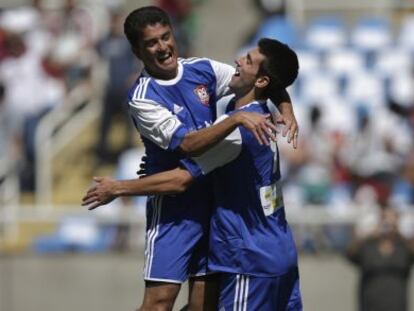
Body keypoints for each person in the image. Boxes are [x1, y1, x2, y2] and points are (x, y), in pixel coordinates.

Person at [85, 6, 298, 311]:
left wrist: (286, 108)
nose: (163, 47)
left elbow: (262, 79)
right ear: (137, 50)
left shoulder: (203, 69)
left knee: (202, 306)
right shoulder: (143, 97)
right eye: (152, 43)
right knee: (159, 303)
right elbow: (187, 144)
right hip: (174, 205)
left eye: (166, 37)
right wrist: (234, 120)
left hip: (214, 205)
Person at [346, 208, 414, 311]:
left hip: (397, 305)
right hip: (370, 304)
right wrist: (371, 234)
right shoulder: (368, 247)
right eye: (385, 219)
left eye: (392, 219)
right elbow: (350, 253)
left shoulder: (403, 247)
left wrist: (399, 233)